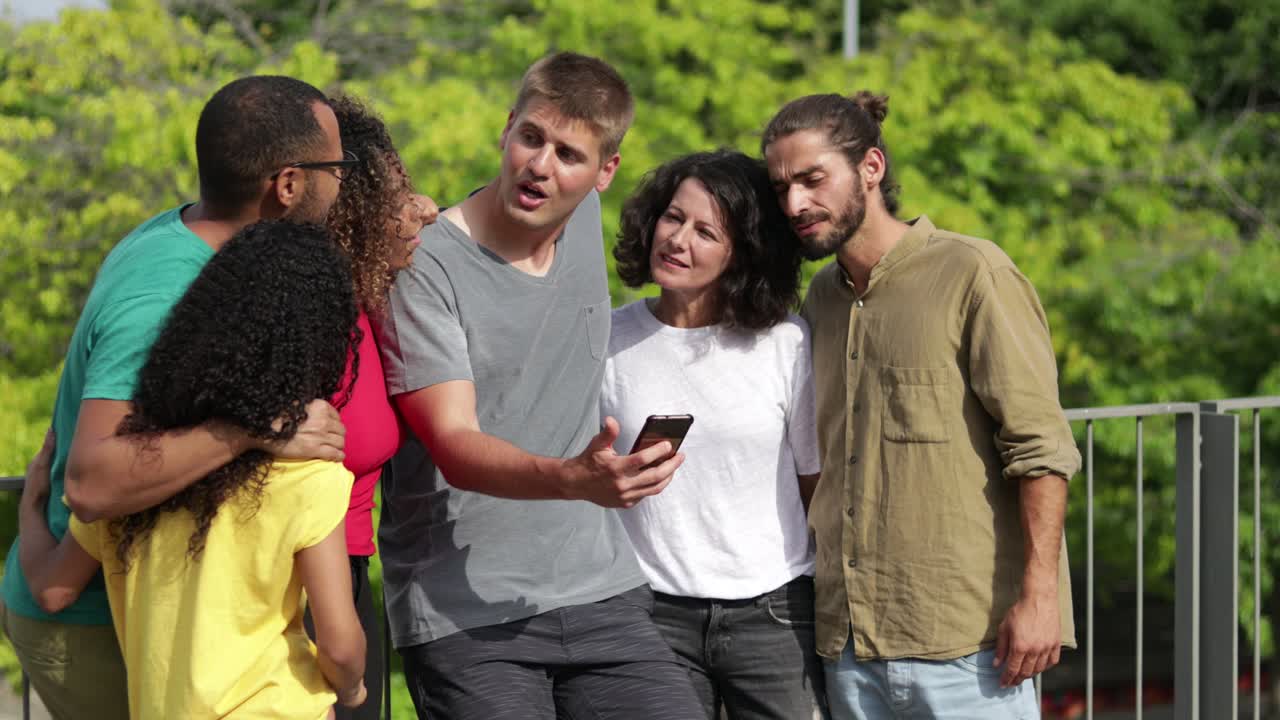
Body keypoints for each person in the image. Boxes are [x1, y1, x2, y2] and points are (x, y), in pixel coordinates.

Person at [0, 75, 352, 720]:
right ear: (290, 184)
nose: (343, 183)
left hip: (152, 615)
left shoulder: (200, 249)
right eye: (337, 167)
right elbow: (91, 482)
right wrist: (253, 429)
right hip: (97, 618)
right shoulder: (168, 291)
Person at [372, 51, 703, 719]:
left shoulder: (578, 219)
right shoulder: (424, 265)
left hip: (600, 589)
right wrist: (570, 478)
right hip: (465, 612)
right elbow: (454, 442)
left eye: (569, 154)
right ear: (505, 129)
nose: (541, 165)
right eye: (531, 137)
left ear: (604, 173)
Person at [760, 91, 1082, 719]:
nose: (795, 204)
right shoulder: (817, 303)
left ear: (871, 167)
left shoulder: (972, 272)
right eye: (781, 188)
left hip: (969, 650)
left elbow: (1040, 445)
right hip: (848, 647)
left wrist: (1040, 597)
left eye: (812, 179)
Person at [601, 149, 827, 719]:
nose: (677, 239)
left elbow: (814, 484)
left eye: (706, 231)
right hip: (651, 614)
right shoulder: (607, 338)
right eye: (673, 218)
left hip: (776, 611)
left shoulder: (785, 342)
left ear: (742, 253)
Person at [307, 93, 438, 720]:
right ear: (353, 216)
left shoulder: (359, 306)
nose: (421, 212)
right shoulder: (317, 321)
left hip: (349, 579)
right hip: (310, 596)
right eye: (396, 201)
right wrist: (340, 653)